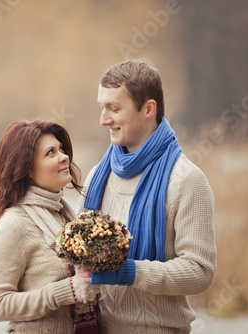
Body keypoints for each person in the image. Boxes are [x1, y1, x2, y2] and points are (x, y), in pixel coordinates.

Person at [77, 60, 217, 333]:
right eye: (102, 107)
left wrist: (127, 272)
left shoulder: (186, 180)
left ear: (148, 109)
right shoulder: (98, 175)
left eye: (114, 108)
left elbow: (200, 272)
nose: (103, 119)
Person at [0, 120, 101, 333]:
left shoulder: (66, 216)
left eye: (62, 149)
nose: (64, 156)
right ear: (27, 168)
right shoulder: (14, 224)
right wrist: (64, 291)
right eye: (51, 153)